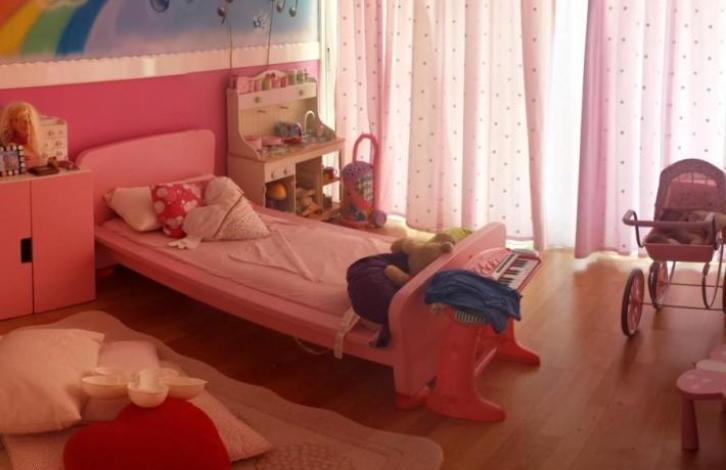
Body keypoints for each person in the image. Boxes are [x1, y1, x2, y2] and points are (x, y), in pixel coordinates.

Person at [0, 101, 42, 168]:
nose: (21, 124)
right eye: (16, 120)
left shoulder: (34, 140)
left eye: (25, 120)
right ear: (10, 122)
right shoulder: (9, 144)